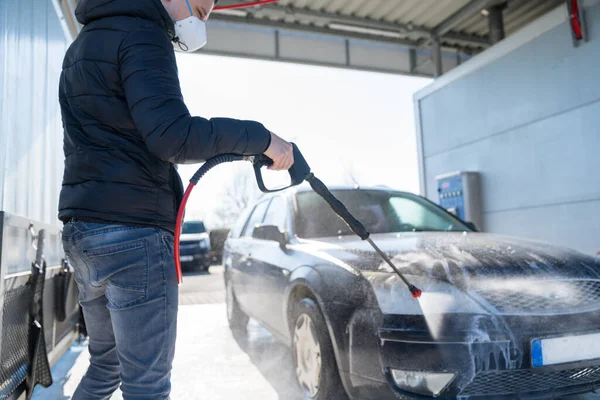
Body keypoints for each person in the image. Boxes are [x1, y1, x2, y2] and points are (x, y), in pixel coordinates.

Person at [58, 0, 294, 398]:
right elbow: (173, 136)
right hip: (133, 236)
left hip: (84, 234)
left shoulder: (82, 46)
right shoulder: (142, 34)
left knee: (105, 367)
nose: (201, 20)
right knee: (146, 387)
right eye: (201, 10)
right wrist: (262, 137)